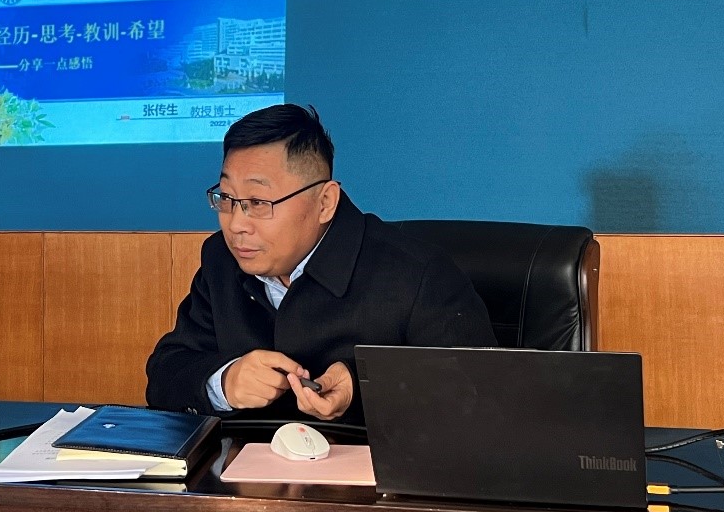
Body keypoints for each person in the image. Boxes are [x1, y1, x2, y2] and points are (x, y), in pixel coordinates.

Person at [145, 104, 495, 424]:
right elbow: (166, 374)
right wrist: (224, 381)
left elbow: (482, 393)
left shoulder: (417, 274)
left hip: (368, 472)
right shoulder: (221, 260)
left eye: (258, 202)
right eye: (227, 198)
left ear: (325, 202)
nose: (236, 224)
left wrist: (364, 385)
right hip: (241, 469)